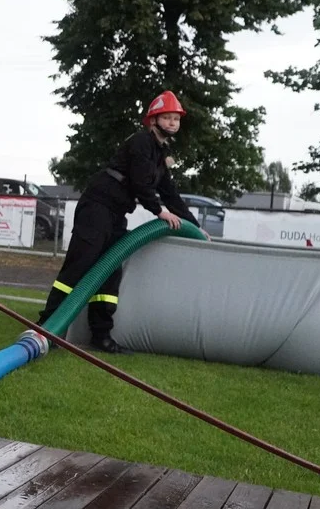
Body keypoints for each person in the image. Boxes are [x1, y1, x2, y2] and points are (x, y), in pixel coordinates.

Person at [36, 91, 206, 354]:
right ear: (153, 120)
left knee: (111, 272)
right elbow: (139, 182)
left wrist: (194, 226)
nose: (173, 123)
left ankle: (101, 335)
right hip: (97, 207)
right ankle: (47, 327)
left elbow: (170, 193)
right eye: (167, 118)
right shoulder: (140, 143)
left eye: (176, 119)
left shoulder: (160, 155)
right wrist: (158, 211)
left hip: (116, 214)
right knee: (79, 265)